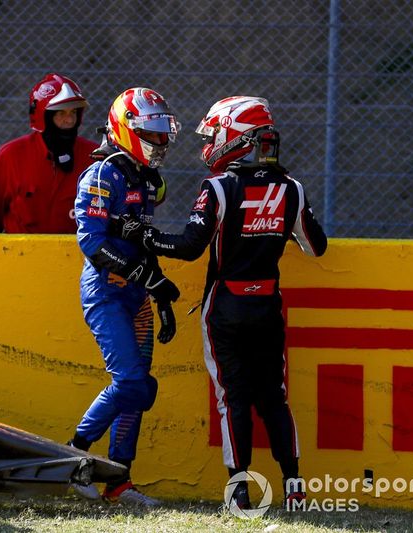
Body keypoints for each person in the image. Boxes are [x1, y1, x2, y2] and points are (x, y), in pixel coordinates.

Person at [116, 96, 327, 510]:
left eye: (214, 134)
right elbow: (316, 247)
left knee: (233, 401)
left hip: (225, 308)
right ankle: (295, 487)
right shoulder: (292, 188)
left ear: (237, 137)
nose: (210, 142)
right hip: (269, 305)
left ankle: (240, 493)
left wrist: (139, 234)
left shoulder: (218, 187)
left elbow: (189, 247)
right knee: (274, 397)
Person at [68, 87, 182, 507]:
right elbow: (93, 244)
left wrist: (160, 297)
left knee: (137, 393)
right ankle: (76, 456)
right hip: (106, 292)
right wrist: (149, 281)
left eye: (163, 134)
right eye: (151, 134)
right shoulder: (100, 175)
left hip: (137, 295)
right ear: (126, 129)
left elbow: (144, 243)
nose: (160, 143)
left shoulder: (147, 179)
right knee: (135, 384)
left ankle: (119, 482)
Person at [0, 73, 99, 233]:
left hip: (77, 256)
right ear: (43, 116)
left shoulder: (94, 158)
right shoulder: (11, 156)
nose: (69, 120)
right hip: (20, 256)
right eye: (61, 113)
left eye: (73, 112)